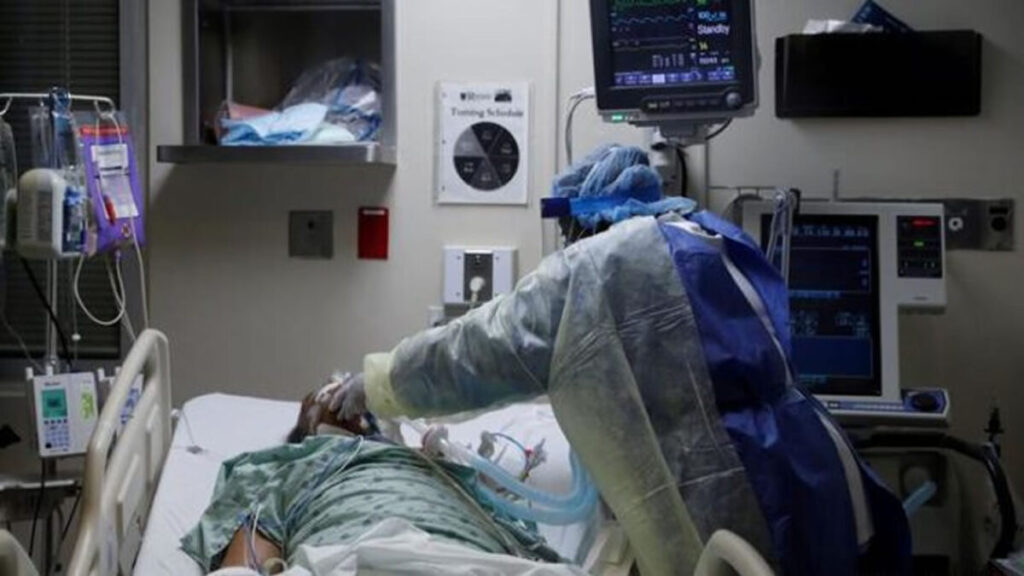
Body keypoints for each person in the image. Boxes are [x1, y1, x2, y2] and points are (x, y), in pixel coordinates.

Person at [327, 145, 912, 576]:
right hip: (813, 468)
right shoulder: (704, 231)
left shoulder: (598, 265)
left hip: (740, 501)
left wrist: (375, 384)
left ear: (579, 218)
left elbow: (472, 353)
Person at [182, 378, 581, 576]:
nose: (337, 392)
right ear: (307, 428)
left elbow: (522, 540)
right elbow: (245, 559)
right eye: (323, 395)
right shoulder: (294, 467)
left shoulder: (450, 468)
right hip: (354, 559)